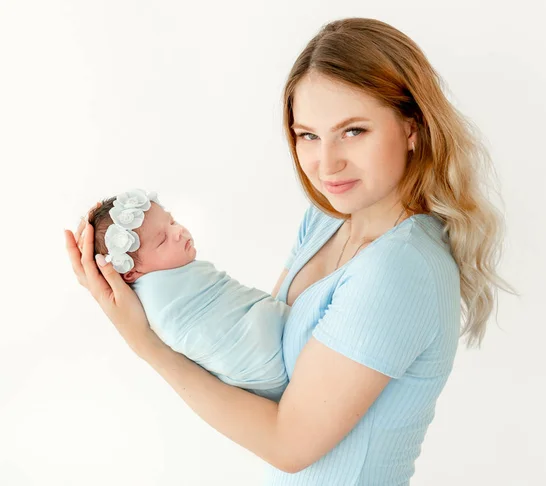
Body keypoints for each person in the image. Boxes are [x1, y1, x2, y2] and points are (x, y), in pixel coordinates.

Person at [65, 17, 512, 485]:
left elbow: (287, 444)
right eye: (308, 135)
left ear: (412, 126)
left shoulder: (401, 269)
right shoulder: (327, 219)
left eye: (354, 131)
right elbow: (262, 357)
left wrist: (145, 343)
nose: (327, 163)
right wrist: (153, 282)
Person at [86, 189, 290, 402]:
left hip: (273, 365)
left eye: (172, 222)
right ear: (130, 273)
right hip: (263, 361)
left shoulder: (182, 277)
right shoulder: (160, 300)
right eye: (162, 240)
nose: (179, 232)